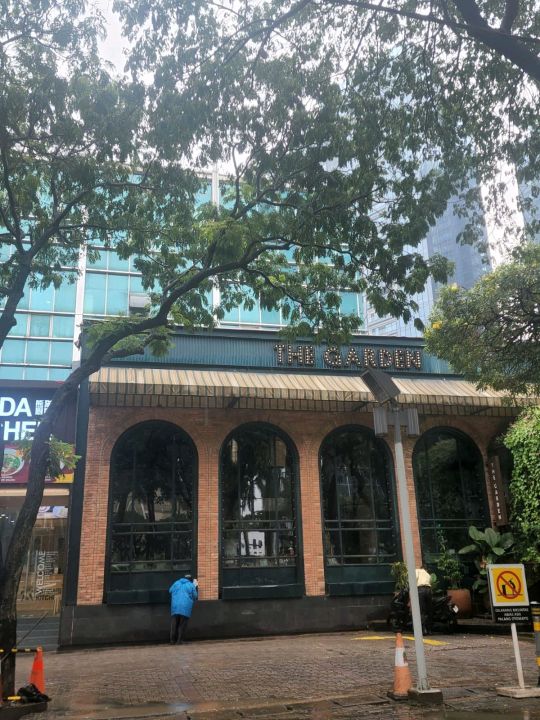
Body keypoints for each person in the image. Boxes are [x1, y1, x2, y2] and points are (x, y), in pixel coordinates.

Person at [169, 574, 198, 645]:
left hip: (175, 606)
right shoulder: (191, 585)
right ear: (190, 580)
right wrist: (195, 587)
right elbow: (195, 596)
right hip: (185, 607)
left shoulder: (176, 583)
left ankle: (172, 641)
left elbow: (170, 591)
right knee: (182, 625)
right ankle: (179, 641)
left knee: (174, 624)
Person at [415, 564, 432, 635]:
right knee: (429, 610)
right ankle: (429, 630)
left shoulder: (417, 571)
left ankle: (423, 629)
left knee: (422, 610)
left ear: (421, 568)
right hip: (428, 590)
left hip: (420, 590)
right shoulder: (428, 574)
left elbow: (414, 579)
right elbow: (430, 582)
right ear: (426, 569)